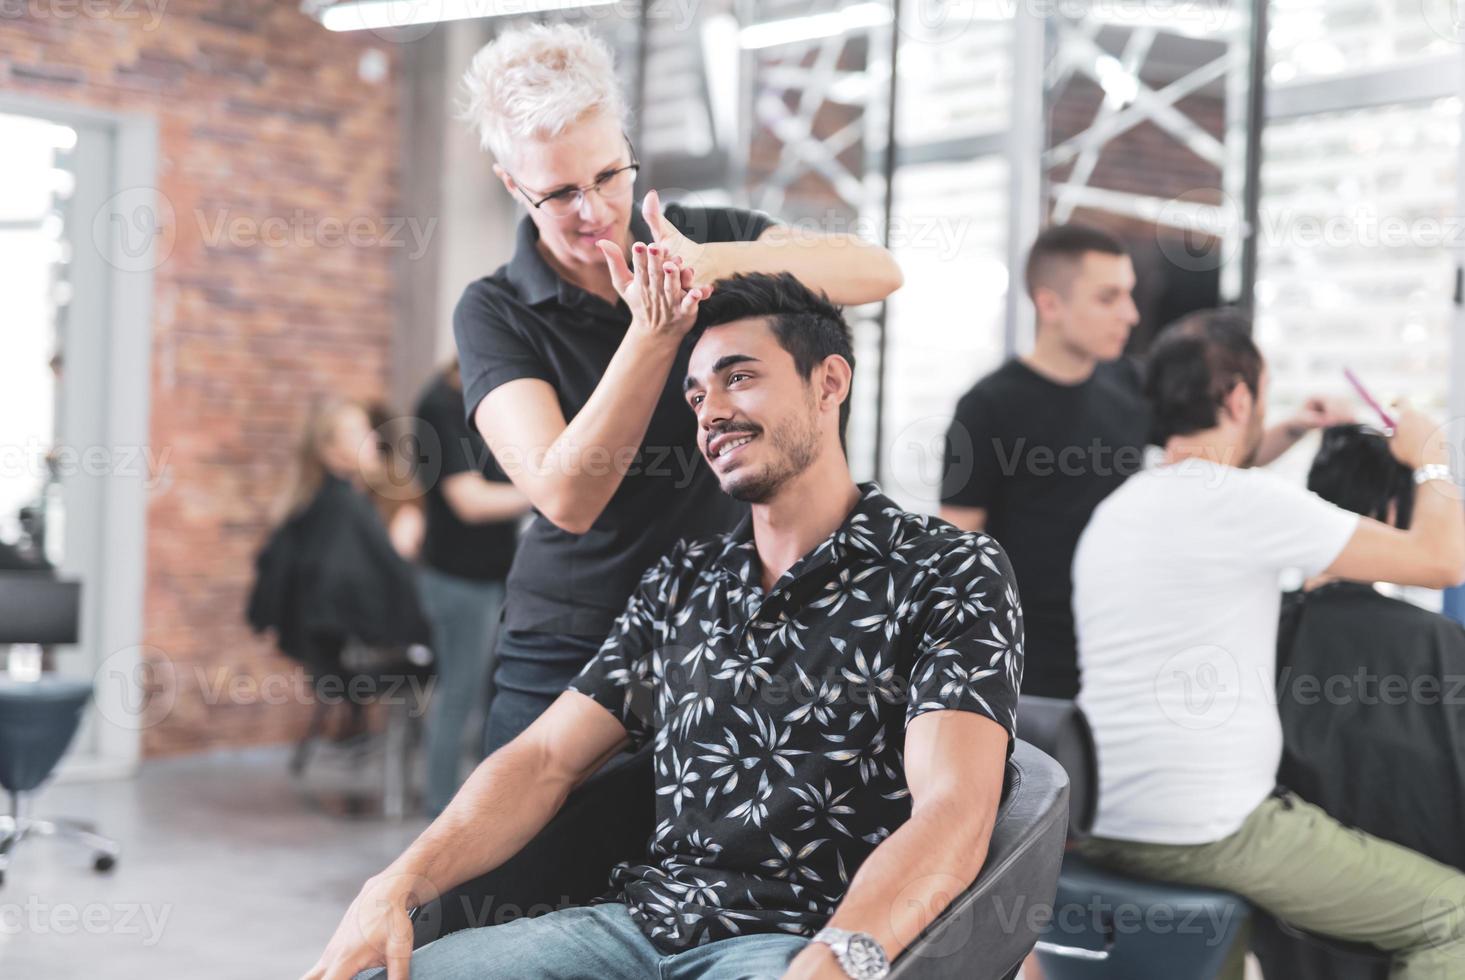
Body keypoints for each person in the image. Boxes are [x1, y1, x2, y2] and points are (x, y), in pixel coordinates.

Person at [304, 272, 1021, 980]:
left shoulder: (943, 569)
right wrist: (394, 883)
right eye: (695, 393)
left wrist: (841, 955)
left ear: (828, 382)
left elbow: (953, 808)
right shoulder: (686, 579)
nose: (708, 412)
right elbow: (545, 759)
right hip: (632, 930)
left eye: (738, 378)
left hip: (791, 942)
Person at [453, 23, 904, 754]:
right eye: (559, 193)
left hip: (724, 625)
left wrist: (709, 262)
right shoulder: (494, 310)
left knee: (696, 857)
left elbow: (877, 272)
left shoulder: (704, 237)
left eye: (608, 175)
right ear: (513, 185)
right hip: (577, 637)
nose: (594, 210)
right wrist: (655, 329)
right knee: (533, 862)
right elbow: (567, 496)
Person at [1071, 310, 1465, 980]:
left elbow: (1213, 481)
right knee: (1451, 919)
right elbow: (1440, 559)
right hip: (1204, 830)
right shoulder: (1243, 504)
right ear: (1235, 396)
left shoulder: (1118, 510)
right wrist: (1430, 461)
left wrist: (1292, 429)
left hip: (1096, 815)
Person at [939, 224, 1352, 698]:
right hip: (1030, 669)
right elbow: (960, 555)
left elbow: (1215, 458)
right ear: (1050, 304)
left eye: (1130, 295)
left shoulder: (1130, 384)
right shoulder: (987, 407)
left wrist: (1294, 426)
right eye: (1108, 298)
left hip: (1124, 648)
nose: (1131, 315)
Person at [1254, 425, 1465, 980]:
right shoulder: (1444, 647)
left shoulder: (1255, 631)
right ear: (1396, 516)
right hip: (1428, 929)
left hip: (1280, 930)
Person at [247, 399, 431, 719]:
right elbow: (359, 593)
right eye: (358, 432)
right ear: (330, 450)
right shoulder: (344, 509)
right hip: (350, 665)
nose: (373, 438)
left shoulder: (312, 507)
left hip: (325, 663)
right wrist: (399, 559)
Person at [412, 360, 532, 816]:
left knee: (488, 695)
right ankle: (442, 811)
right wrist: (550, 490)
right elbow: (470, 501)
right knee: (458, 693)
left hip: (493, 576)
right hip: (457, 579)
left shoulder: (487, 403)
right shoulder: (440, 406)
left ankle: (479, 808)